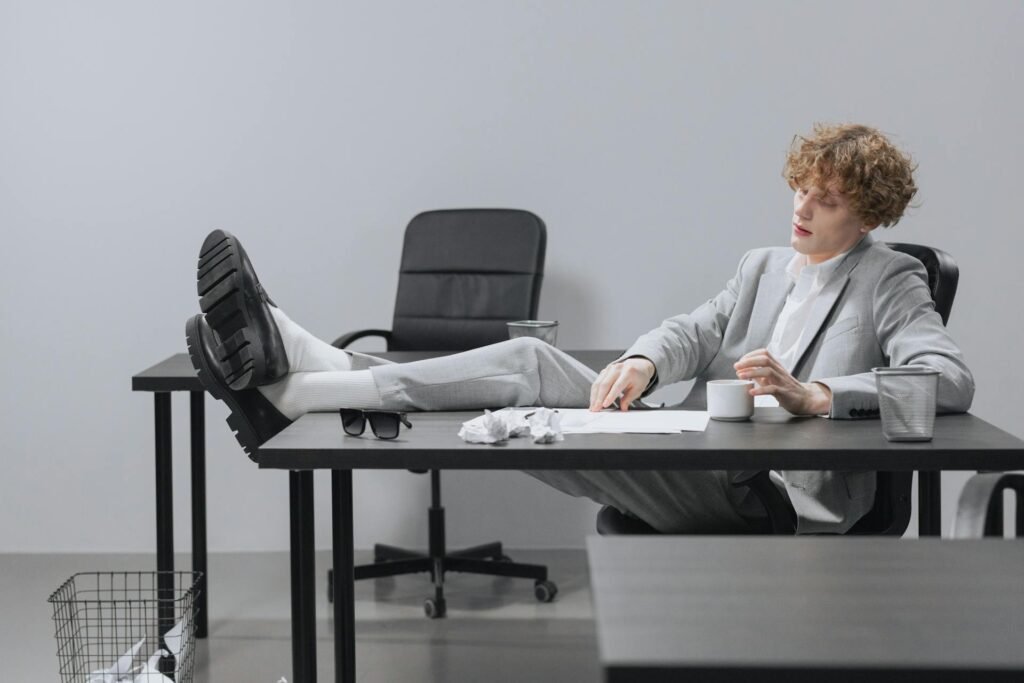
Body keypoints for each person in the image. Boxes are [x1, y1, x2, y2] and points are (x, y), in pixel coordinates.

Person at [186, 123, 974, 534]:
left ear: (868, 212)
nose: (802, 208)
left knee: (535, 419)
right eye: (800, 190)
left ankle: (304, 382)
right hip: (705, 452)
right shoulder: (765, 264)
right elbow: (692, 330)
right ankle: (317, 372)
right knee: (535, 364)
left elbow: (947, 379)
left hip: (770, 496)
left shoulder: (890, 278)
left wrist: (817, 396)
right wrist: (640, 361)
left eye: (826, 199)